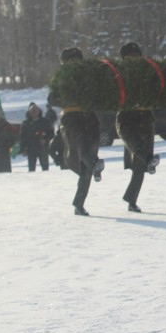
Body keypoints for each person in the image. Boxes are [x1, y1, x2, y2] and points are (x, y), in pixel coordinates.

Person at [51, 47, 105, 216]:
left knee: (84, 161)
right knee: (83, 150)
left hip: (82, 117)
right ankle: (94, 164)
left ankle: (79, 204)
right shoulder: (64, 78)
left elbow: (99, 93)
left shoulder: (85, 76)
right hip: (78, 118)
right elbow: (52, 98)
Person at [115, 42, 161, 212]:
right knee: (137, 147)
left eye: (136, 55)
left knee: (139, 166)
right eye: (130, 56)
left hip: (146, 117)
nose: (134, 58)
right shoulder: (118, 73)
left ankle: (131, 200)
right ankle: (149, 160)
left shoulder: (147, 72)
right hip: (127, 117)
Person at [20, 102, 55, 172]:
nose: (34, 113)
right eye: (32, 111)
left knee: (45, 168)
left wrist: (45, 139)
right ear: (29, 112)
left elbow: (51, 134)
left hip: (42, 148)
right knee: (31, 169)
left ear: (39, 111)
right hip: (31, 148)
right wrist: (23, 148)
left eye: (35, 110)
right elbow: (22, 137)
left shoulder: (45, 122)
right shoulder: (26, 123)